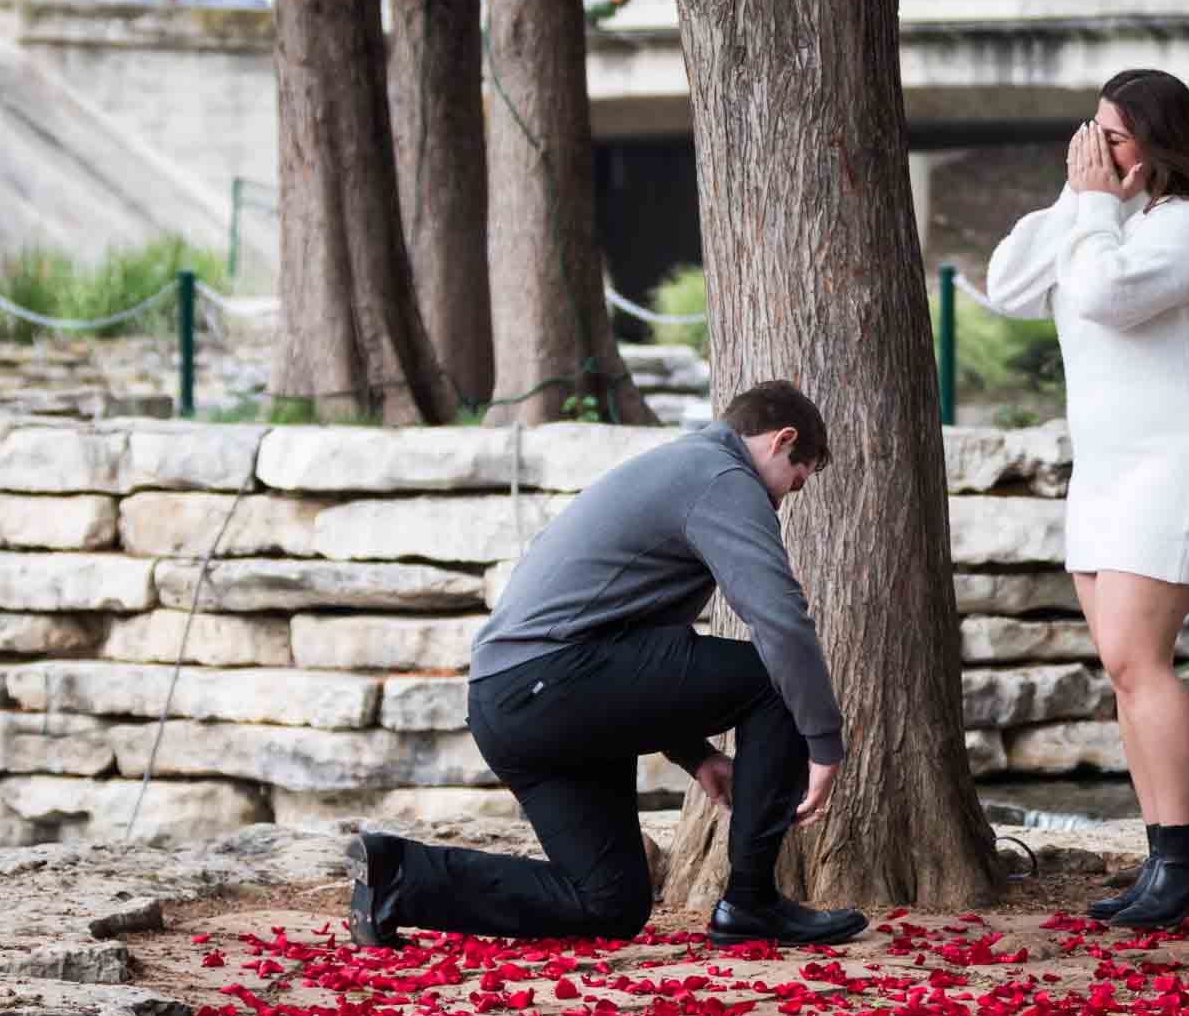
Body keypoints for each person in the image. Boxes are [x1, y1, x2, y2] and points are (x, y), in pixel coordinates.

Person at [346, 380, 868, 950]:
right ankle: (752, 904)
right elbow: (782, 623)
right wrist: (824, 744)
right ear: (780, 440)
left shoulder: (676, 468)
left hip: (510, 702)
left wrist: (694, 754)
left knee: (608, 902)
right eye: (799, 477)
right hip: (555, 679)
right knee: (774, 681)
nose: (789, 496)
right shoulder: (722, 478)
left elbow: (631, 635)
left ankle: (397, 876)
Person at [985, 68, 1189, 928]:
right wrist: (1077, 200)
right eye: (1090, 131)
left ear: (1160, 144)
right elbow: (1008, 285)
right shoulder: (1103, 218)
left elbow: (1102, 296)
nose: (1096, 149)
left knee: (1142, 663)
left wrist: (1095, 212)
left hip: (1174, 468)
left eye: (1115, 137)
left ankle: (1186, 863)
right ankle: (1170, 859)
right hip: (1106, 475)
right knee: (1122, 670)